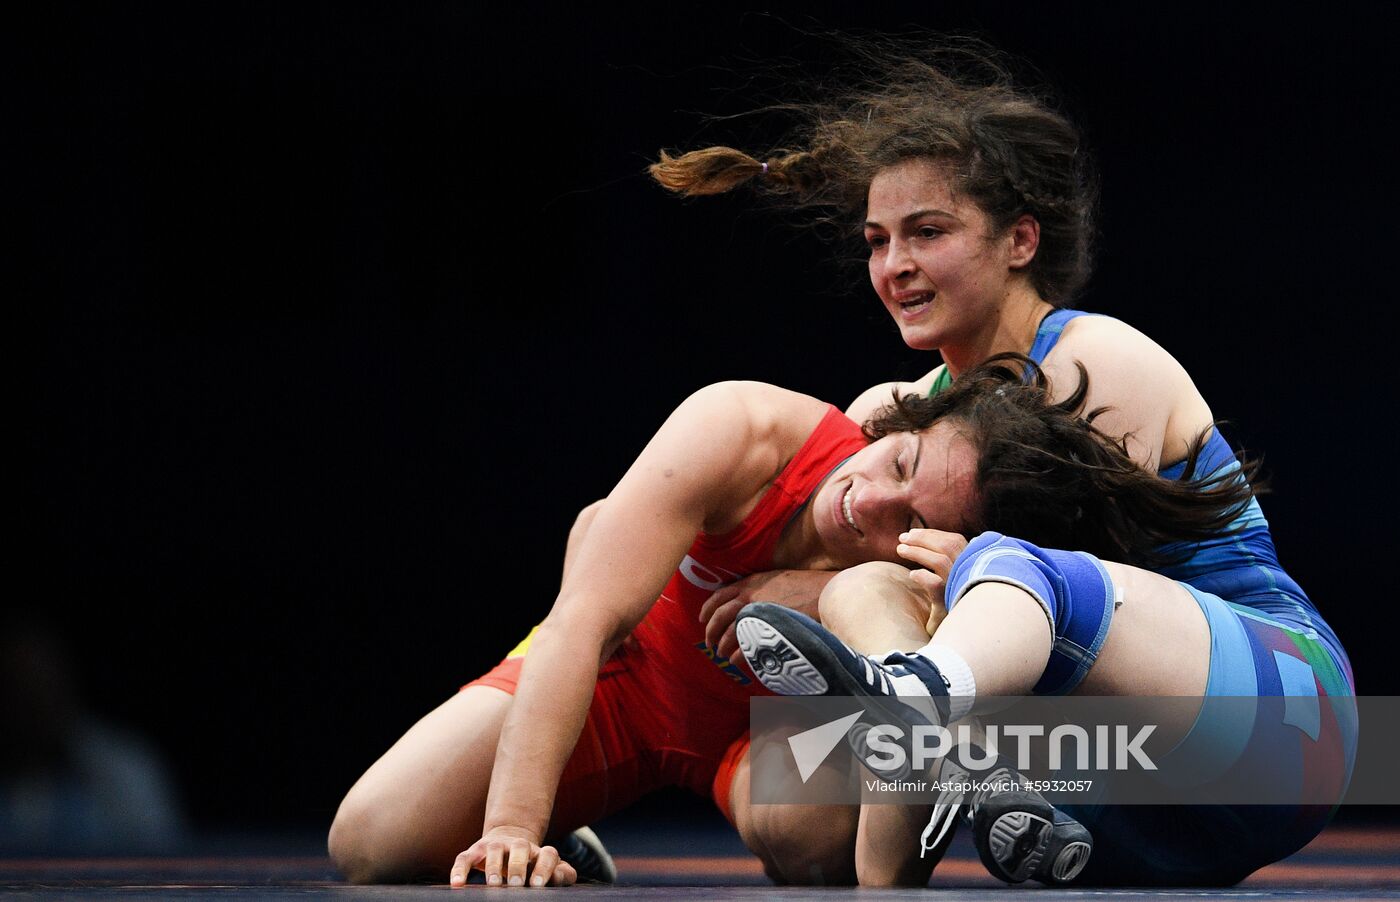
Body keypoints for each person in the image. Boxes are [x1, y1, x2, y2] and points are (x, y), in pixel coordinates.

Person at [650, 41, 1355, 887]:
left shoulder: (1098, 362)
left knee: (996, 574)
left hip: (1275, 722)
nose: (894, 266)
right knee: (788, 805)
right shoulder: (895, 408)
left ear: (1021, 239)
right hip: (1116, 794)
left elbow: (1052, 605)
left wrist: (823, 594)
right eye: (878, 240)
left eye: (928, 231)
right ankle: (896, 846)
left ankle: (923, 716)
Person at [327, 362, 1254, 887]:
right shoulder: (743, 427)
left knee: (818, 854)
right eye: (895, 462)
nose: (870, 507)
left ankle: (959, 784)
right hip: (626, 672)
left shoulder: (943, 573)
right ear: (893, 420)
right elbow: (584, 619)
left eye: (911, 519)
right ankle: (561, 814)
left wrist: (867, 596)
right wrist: (514, 830)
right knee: (368, 842)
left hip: (763, 740)